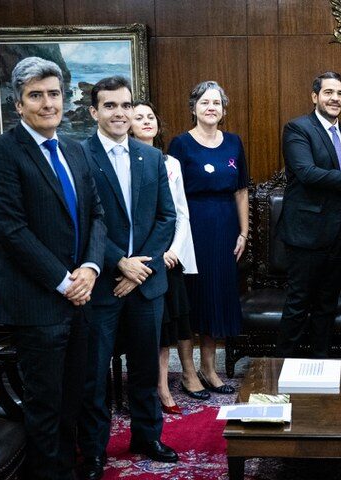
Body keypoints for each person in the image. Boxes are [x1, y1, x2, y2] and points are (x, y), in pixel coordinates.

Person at [0, 56, 106, 480]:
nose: (48, 103)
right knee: (45, 405)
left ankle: (67, 468)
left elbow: (97, 217)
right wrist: (63, 280)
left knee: (74, 398)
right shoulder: (1, 151)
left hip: (80, 297)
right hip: (38, 302)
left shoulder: (74, 147)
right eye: (36, 96)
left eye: (54, 93)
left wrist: (89, 267)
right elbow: (12, 232)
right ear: (19, 104)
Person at [78, 76, 177, 479]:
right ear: (94, 112)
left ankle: (146, 436)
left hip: (146, 283)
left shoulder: (151, 158)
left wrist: (140, 270)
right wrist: (120, 262)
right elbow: (82, 222)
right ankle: (95, 450)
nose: (119, 113)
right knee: (95, 372)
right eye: (110, 106)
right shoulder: (79, 156)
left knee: (144, 368)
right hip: (100, 284)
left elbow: (166, 218)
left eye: (125, 105)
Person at [275, 71, 341, 358]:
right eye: (328, 92)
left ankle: (319, 366)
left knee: (327, 305)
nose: (335, 98)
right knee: (299, 303)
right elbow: (308, 173)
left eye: (340, 93)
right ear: (315, 97)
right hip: (306, 234)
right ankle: (285, 371)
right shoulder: (297, 129)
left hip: (340, 233)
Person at [168, 80, 247, 394]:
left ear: (224, 110)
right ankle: (188, 373)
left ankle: (209, 369)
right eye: (205, 103)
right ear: (193, 108)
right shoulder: (180, 144)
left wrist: (244, 232)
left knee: (216, 297)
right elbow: (172, 194)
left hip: (226, 226)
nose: (211, 107)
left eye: (217, 103)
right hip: (191, 228)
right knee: (192, 299)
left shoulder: (234, 142)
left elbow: (241, 190)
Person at [130, 100, 199, 415]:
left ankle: (161, 385)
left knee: (167, 328)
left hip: (169, 256)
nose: (146, 121)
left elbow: (181, 213)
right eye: (139, 117)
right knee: (146, 328)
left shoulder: (171, 162)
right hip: (136, 258)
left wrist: (173, 250)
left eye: (150, 116)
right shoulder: (123, 159)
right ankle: (146, 388)